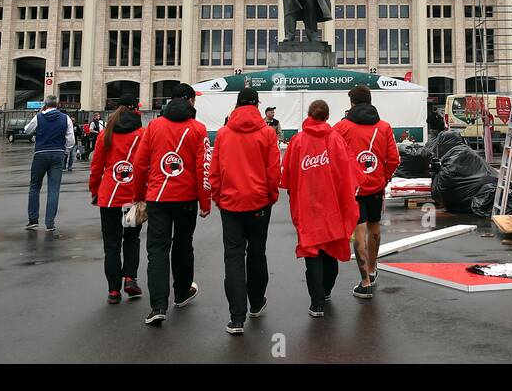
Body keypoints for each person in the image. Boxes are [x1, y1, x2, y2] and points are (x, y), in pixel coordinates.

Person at [132, 83, 212, 325]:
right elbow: (203, 169)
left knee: (157, 249)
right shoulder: (198, 129)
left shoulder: (154, 126)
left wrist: (139, 195)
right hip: (186, 198)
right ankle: (182, 291)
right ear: (189, 100)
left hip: (157, 198)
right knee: (183, 245)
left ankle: (158, 305)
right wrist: (205, 201)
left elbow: (139, 164)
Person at [209, 87, 280, 335]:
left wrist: (217, 197)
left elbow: (214, 171)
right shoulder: (267, 133)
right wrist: (271, 196)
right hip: (259, 201)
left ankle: (236, 317)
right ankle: (257, 302)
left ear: (237, 105)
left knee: (234, 256)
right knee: (257, 252)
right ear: (256, 106)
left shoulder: (224, 134)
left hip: (230, 203)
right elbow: (273, 171)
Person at [281, 99, 358, 317]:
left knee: (312, 252)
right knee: (330, 249)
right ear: (326, 116)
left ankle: (317, 303)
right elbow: (348, 175)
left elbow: (286, 177)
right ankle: (325, 291)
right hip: (331, 204)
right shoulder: (336, 140)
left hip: (307, 205)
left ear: (310, 114)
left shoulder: (297, 141)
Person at [333, 84, 399, 300]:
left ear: (352, 103)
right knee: (375, 227)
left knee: (358, 233)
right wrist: (384, 177)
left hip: (354, 188)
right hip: (376, 186)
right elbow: (394, 159)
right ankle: (372, 268)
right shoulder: (385, 127)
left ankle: (365, 283)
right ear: (370, 101)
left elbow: (333, 157)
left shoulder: (341, 128)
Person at [88, 95, 145, 304]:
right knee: (132, 239)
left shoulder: (105, 134)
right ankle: (130, 277)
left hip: (110, 195)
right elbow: (145, 165)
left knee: (111, 245)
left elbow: (96, 167)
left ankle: (113, 290)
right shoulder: (141, 133)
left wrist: (95, 191)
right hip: (132, 195)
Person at [24, 97, 75, 234]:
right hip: (58, 153)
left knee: (35, 186)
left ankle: (33, 220)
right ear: (58, 105)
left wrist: (40, 113)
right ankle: (50, 223)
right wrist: (66, 151)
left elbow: (27, 130)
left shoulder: (39, 117)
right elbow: (71, 140)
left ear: (45, 105)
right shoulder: (66, 118)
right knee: (54, 189)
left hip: (41, 153)